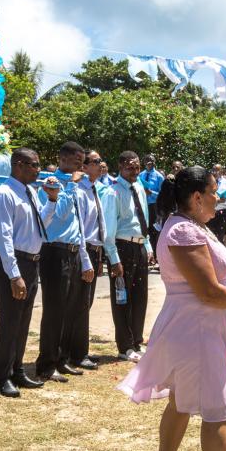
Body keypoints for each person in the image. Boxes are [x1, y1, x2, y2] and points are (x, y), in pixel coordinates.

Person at [117, 166, 226, 451]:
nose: (219, 198)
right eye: (215, 191)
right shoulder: (183, 232)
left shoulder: (192, 227)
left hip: (200, 326)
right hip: (196, 328)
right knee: (216, 407)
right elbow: (206, 291)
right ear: (197, 196)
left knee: (181, 402)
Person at [0, 148, 56, 397]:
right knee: (9, 322)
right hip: (15, 263)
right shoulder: (5, 194)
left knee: (24, 321)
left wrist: (51, 201)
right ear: (18, 165)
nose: (39, 170)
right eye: (34, 165)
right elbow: (4, 238)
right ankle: (1, 376)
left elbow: (41, 226)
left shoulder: (30, 192)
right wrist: (14, 275)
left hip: (32, 261)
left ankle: (17, 369)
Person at [35, 141, 94, 383]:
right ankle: (46, 364)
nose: (81, 168)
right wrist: (70, 185)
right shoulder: (52, 183)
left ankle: (62, 358)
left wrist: (85, 258)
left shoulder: (75, 186)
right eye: (77, 163)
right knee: (54, 311)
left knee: (70, 309)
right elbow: (59, 214)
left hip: (72, 250)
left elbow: (77, 225)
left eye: (82, 163)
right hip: (54, 251)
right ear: (63, 160)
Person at [104, 151, 155, 362]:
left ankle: (136, 341)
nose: (134, 172)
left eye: (137, 167)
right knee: (122, 298)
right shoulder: (112, 192)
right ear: (120, 167)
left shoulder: (139, 188)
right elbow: (108, 230)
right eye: (130, 168)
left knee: (140, 297)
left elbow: (144, 219)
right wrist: (114, 259)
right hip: (122, 247)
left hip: (140, 246)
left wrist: (148, 244)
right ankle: (124, 346)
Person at [73, 149, 110, 371]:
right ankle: (76, 353)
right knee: (79, 304)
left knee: (86, 303)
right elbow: (79, 229)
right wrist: (86, 258)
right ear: (84, 167)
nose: (100, 164)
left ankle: (80, 350)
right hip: (83, 249)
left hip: (95, 249)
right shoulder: (79, 191)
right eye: (95, 161)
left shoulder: (93, 188)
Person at [139, 154, 165, 251]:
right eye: (147, 160)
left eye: (151, 160)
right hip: (142, 204)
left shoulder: (159, 176)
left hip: (154, 206)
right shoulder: (141, 175)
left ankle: (154, 253)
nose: (149, 162)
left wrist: (151, 193)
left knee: (154, 231)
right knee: (144, 229)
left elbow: (163, 194)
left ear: (154, 162)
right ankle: (145, 252)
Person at [207, 165, 226, 242]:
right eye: (214, 170)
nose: (215, 172)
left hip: (221, 212)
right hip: (208, 211)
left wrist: (224, 201)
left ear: (221, 171)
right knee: (209, 236)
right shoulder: (207, 182)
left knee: (219, 236)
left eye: (217, 170)